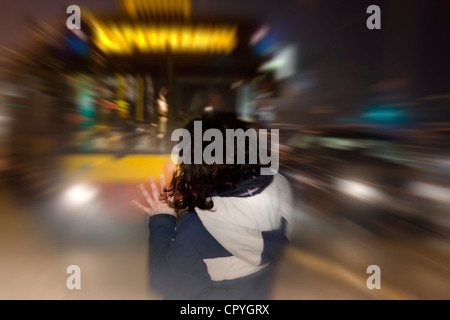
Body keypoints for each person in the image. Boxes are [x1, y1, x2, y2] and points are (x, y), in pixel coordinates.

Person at [133, 113, 293, 300]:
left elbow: (165, 280)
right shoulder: (280, 187)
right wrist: (197, 200)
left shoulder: (197, 229)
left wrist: (161, 217)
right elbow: (240, 201)